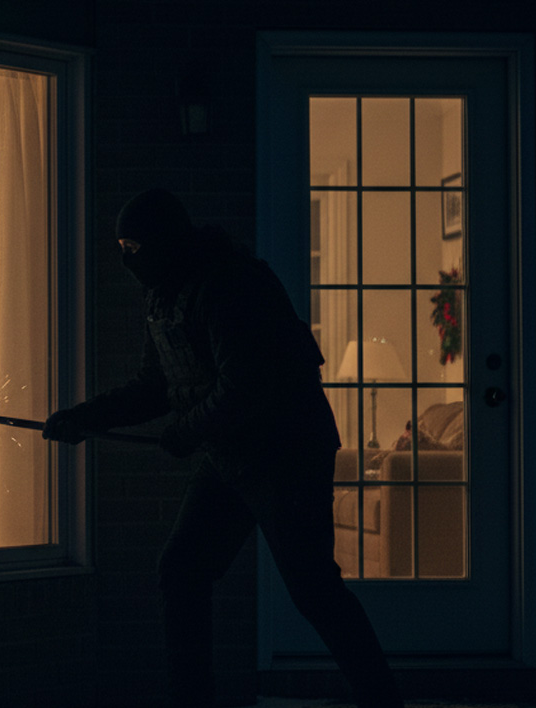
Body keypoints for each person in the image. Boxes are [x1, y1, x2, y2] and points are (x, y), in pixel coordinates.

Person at [43, 189, 403, 708]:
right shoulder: (165, 292)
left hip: (286, 453)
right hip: (232, 454)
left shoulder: (230, 283)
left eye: (134, 246)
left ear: (165, 242)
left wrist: (185, 432)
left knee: (313, 588)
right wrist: (85, 418)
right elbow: (155, 385)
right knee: (183, 569)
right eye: (121, 246)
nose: (126, 259)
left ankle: (383, 700)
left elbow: (245, 386)